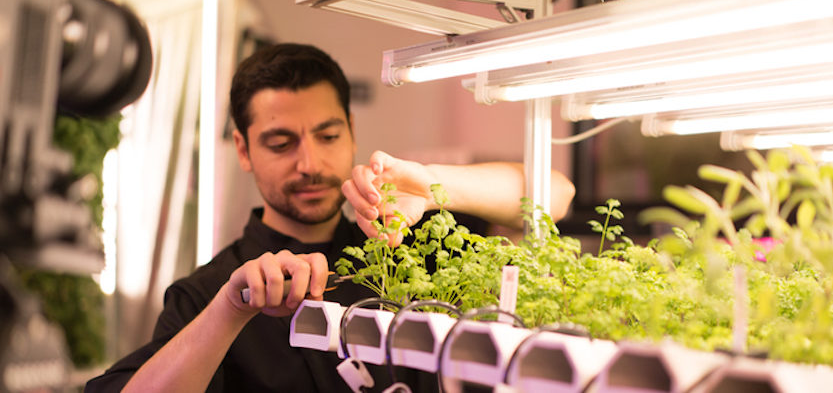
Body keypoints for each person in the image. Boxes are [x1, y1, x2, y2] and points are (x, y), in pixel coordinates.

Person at [85, 43, 575, 392]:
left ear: (352, 129)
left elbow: (557, 195)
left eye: (328, 135)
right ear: (243, 148)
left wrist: (430, 184)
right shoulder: (210, 295)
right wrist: (231, 311)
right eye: (281, 143)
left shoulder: (411, 237)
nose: (310, 163)